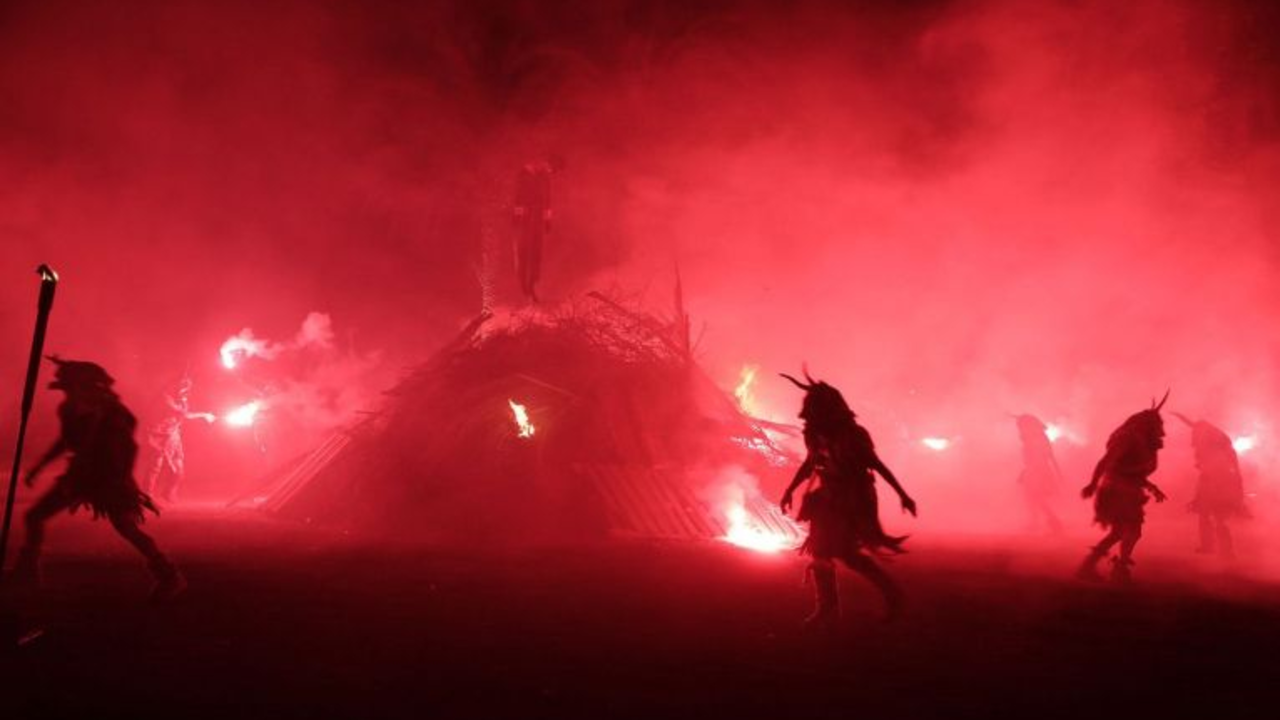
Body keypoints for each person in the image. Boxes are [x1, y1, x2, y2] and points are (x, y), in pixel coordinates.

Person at [13, 357, 185, 602]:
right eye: (67, 387)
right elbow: (66, 440)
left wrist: (118, 481)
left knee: (126, 527)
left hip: (108, 479)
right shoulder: (69, 409)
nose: (69, 392)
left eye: (73, 386)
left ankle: (169, 575)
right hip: (81, 476)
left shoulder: (115, 414)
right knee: (34, 516)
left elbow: (127, 449)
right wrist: (40, 466)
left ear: (90, 387)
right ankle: (27, 573)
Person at [778, 370, 917, 628]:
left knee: (848, 554)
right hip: (827, 498)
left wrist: (903, 495)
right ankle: (827, 607)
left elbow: (876, 464)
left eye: (813, 407)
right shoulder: (815, 435)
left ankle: (893, 596)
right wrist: (789, 490)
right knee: (820, 551)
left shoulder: (853, 435)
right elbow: (810, 465)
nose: (807, 412)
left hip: (854, 497)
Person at [1078, 394, 1169, 583]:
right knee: (1131, 531)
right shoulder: (1128, 438)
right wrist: (1093, 484)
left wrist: (1152, 487)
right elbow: (1107, 461)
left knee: (1120, 532)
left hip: (1127, 490)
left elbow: (1134, 473)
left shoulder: (1142, 440)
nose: (1161, 429)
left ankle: (1090, 567)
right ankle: (1118, 570)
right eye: (1157, 424)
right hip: (1116, 490)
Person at [1172, 413, 1247, 557]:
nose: (1194, 436)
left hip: (1217, 483)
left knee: (1217, 516)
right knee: (1205, 514)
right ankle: (1210, 547)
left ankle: (1226, 551)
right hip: (1210, 481)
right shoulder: (1215, 443)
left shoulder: (1216, 446)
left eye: (1197, 432)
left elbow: (1225, 468)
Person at [144, 374, 214, 504]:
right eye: (183, 385)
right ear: (176, 384)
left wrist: (187, 403)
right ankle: (147, 495)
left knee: (178, 465)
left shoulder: (182, 398)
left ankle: (168, 492)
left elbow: (184, 414)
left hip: (173, 433)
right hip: (158, 434)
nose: (186, 389)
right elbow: (184, 414)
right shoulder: (165, 397)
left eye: (188, 386)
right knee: (156, 465)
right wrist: (203, 415)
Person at [511, 154, 564, 302]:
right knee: (524, 251)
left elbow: (547, 199)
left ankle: (532, 284)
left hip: (536, 219)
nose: (550, 171)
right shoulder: (526, 174)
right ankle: (525, 285)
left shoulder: (544, 177)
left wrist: (547, 218)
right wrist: (518, 215)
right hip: (527, 218)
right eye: (551, 168)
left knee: (536, 251)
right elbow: (519, 196)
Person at [1014, 414, 1064, 533]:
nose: (1020, 429)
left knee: (1035, 497)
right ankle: (1039, 522)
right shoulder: (1037, 437)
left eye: (1022, 426)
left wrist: (1031, 471)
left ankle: (1053, 522)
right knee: (1032, 498)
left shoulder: (1036, 439)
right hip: (1035, 469)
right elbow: (1049, 456)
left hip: (1038, 470)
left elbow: (1043, 457)